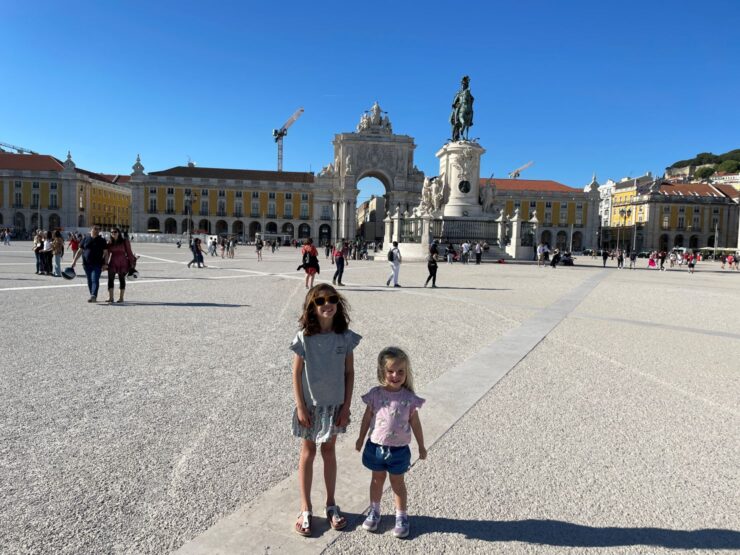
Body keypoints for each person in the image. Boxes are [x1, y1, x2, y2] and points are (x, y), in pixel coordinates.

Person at [290, 284, 361, 537]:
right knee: (308, 452)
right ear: (313, 306)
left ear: (337, 303)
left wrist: (347, 406)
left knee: (329, 451)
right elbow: (296, 373)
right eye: (320, 301)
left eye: (332, 299)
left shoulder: (345, 337)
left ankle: (331, 503)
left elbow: (349, 372)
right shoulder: (304, 337)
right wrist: (300, 406)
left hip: (334, 406)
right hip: (310, 406)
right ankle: (305, 507)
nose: (327, 304)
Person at [355, 346, 426, 539]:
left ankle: (401, 516)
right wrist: (361, 438)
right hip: (375, 447)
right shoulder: (375, 394)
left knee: (398, 483)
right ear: (382, 372)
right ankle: (374, 510)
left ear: (406, 372)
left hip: (399, 451)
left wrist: (421, 445)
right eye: (390, 371)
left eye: (400, 371)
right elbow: (366, 417)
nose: (395, 375)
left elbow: (416, 423)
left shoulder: (409, 399)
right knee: (377, 480)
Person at [71, 226, 108, 302]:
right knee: (89, 280)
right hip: (86, 264)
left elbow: (106, 253)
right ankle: (92, 294)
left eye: (98, 229)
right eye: (95, 229)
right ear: (91, 230)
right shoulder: (85, 239)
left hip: (97, 264)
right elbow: (80, 251)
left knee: (95, 279)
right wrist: (74, 261)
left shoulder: (102, 240)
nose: (97, 231)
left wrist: (105, 264)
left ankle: (93, 295)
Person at [104, 227, 136, 303]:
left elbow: (129, 252)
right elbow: (107, 254)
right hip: (113, 262)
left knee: (121, 279)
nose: (113, 233)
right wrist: (105, 264)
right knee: (110, 279)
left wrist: (132, 264)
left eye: (115, 232)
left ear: (118, 233)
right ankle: (110, 297)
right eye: (112, 232)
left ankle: (121, 298)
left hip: (123, 262)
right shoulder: (109, 242)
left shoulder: (125, 241)